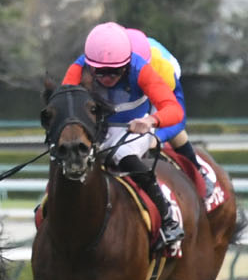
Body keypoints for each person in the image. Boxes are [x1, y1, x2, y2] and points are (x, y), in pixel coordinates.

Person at [61, 22, 190, 250]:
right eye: (100, 72)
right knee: (67, 155)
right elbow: (64, 102)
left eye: (115, 71)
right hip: (96, 128)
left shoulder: (141, 68)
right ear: (90, 64)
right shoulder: (78, 69)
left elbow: (174, 110)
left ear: (127, 64)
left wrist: (150, 121)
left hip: (133, 128)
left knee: (123, 156)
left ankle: (167, 218)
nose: (107, 78)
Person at [118, 27, 221, 208]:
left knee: (160, 120)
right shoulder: (103, 65)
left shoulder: (162, 68)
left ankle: (197, 171)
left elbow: (177, 118)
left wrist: (156, 138)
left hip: (161, 72)